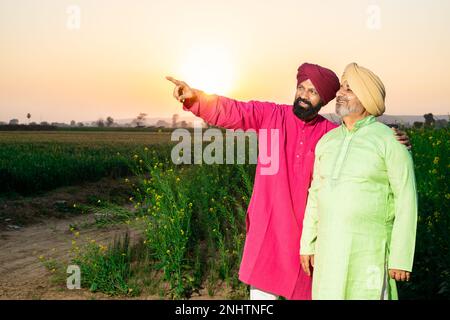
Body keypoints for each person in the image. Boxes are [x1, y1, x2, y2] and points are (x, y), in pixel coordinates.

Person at [166, 63, 410, 300]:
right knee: (261, 295)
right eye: (301, 88)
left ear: (323, 100)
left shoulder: (329, 135)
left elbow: (358, 141)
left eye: (313, 92)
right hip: (268, 230)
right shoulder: (272, 116)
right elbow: (234, 111)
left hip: (306, 237)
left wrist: (391, 138)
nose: (304, 96)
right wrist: (194, 99)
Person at [300, 63, 418, 300]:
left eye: (348, 89)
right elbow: (315, 195)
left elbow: (407, 199)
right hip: (328, 250)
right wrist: (307, 243)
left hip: (369, 252)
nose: (339, 93)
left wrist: (400, 258)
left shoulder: (390, 141)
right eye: (341, 88)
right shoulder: (327, 141)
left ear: (367, 98)